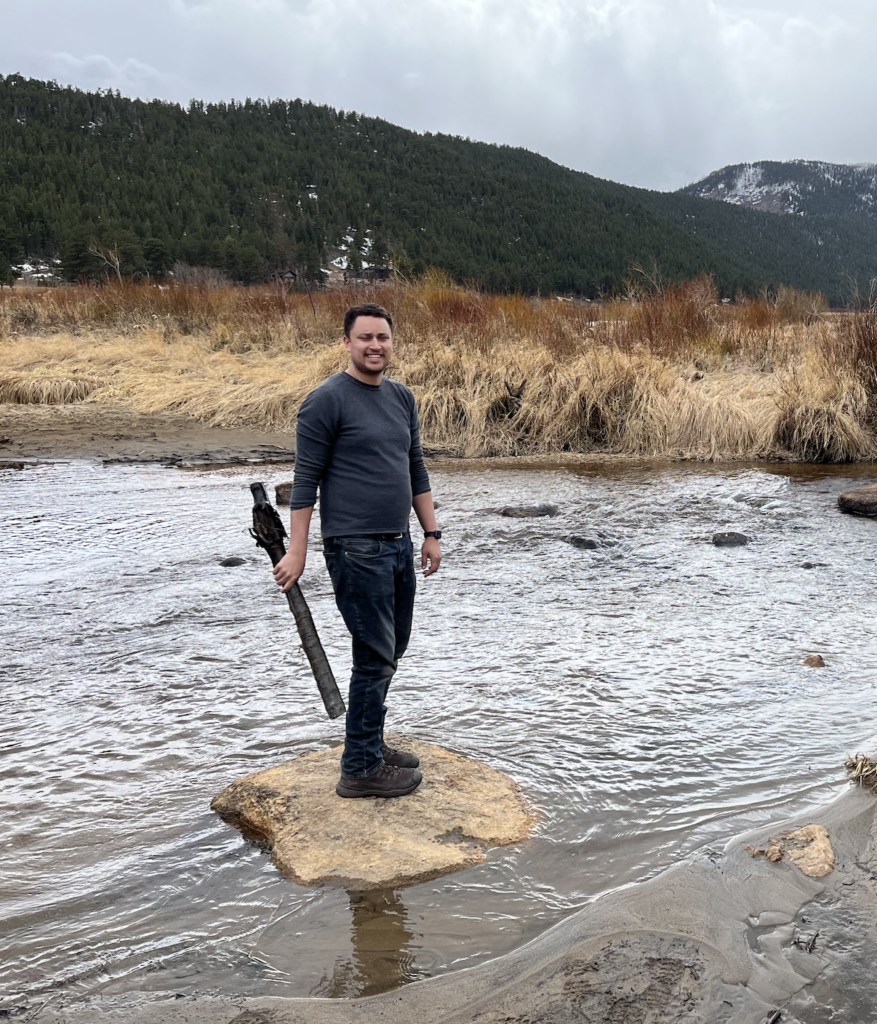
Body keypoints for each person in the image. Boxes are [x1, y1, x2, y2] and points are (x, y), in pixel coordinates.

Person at [273, 303, 442, 798]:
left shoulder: (401, 397)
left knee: (390, 650)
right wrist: (298, 550)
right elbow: (306, 481)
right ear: (346, 342)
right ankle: (359, 770)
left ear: (392, 343)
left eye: (382, 337)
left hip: (398, 543)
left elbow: (415, 468)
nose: (375, 346)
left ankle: (368, 742)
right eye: (365, 337)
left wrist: (431, 533)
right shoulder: (326, 401)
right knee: (374, 654)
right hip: (354, 548)